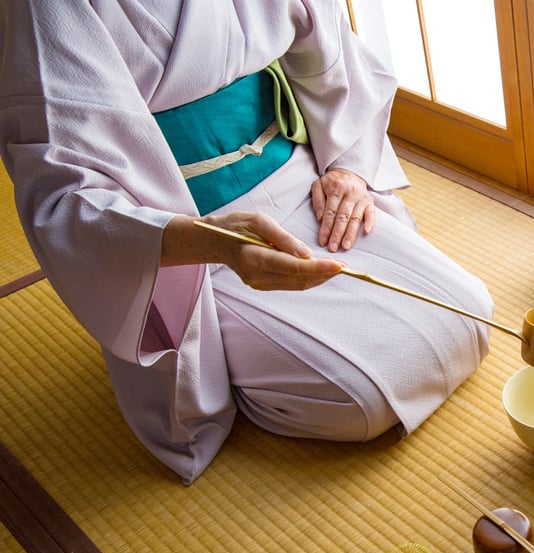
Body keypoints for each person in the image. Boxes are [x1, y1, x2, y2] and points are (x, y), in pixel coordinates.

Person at [0, 1, 493, 483]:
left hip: (302, 182)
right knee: (358, 398)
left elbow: (331, 53)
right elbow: (65, 192)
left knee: (472, 313)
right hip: (182, 229)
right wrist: (214, 243)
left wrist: (348, 169)